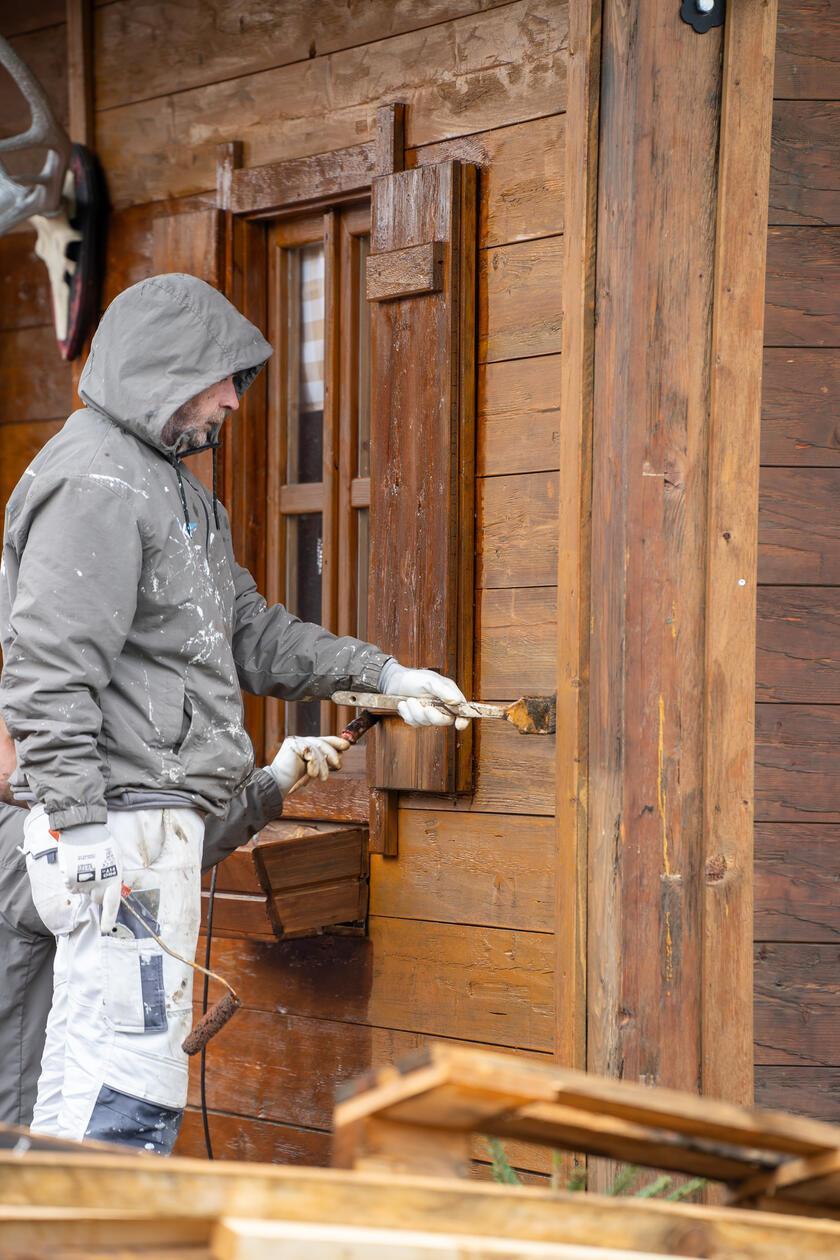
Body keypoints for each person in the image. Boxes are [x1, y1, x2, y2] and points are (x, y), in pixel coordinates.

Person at [0, 273, 469, 1152]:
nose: (233, 400)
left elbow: (248, 630)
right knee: (126, 1081)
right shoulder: (95, 481)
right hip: (115, 827)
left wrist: (385, 675)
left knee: (99, 1077)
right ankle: (96, 1226)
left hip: (142, 826)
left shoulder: (171, 491)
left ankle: (62, 1219)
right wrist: (80, 825)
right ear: (164, 368)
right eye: (221, 378)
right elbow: (48, 671)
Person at [0, 715, 293, 1137]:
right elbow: (144, 859)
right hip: (19, 1130)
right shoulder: (20, 843)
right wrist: (271, 785)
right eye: (17, 735)